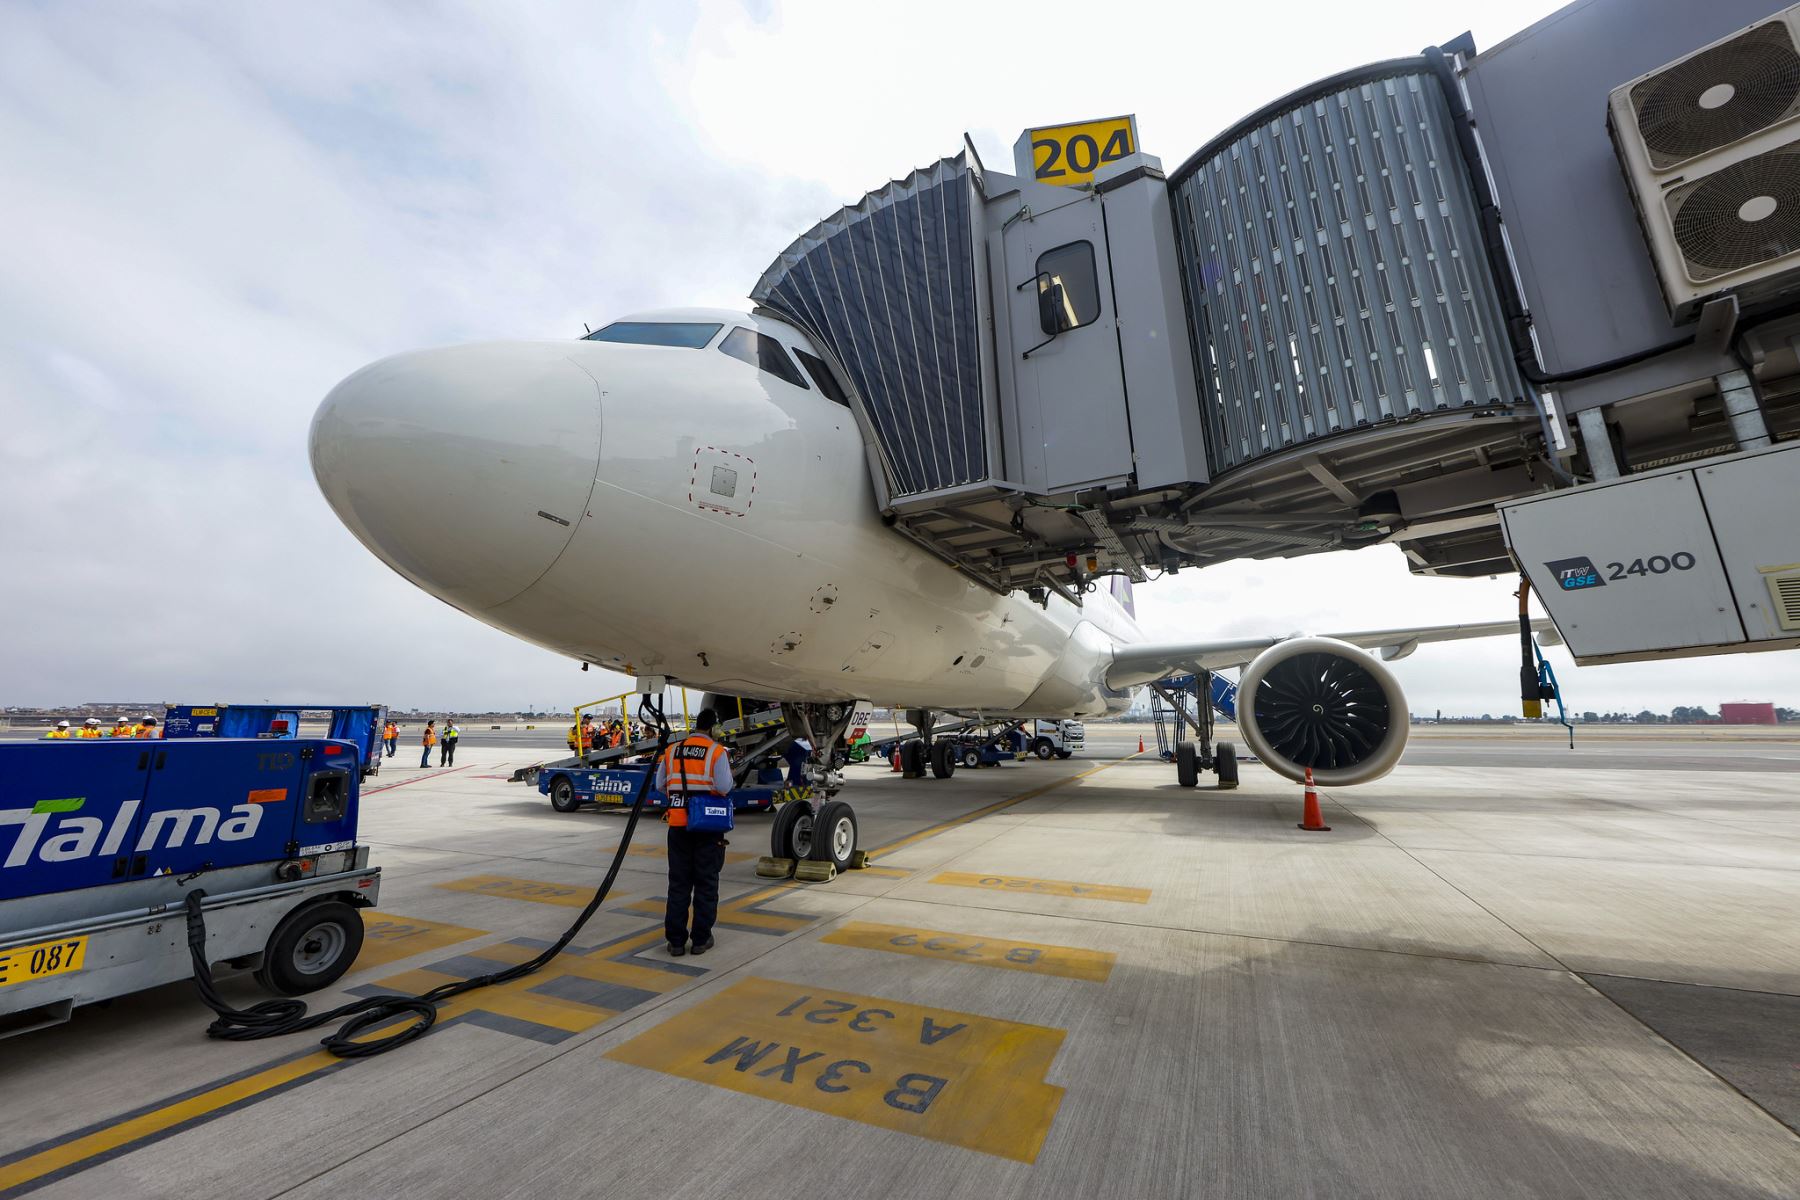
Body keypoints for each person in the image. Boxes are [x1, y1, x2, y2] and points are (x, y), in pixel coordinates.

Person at [653, 708, 732, 957]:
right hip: (707, 826)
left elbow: (659, 785)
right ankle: (700, 940)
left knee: (678, 884)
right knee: (706, 883)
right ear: (713, 728)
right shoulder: (717, 752)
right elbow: (723, 787)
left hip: (677, 825)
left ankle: (676, 942)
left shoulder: (672, 750)